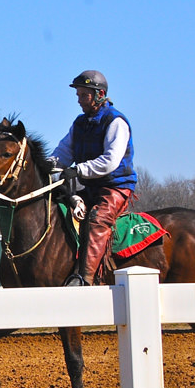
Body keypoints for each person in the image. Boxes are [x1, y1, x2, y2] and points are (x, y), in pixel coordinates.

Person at [50, 71, 137, 286]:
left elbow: (109, 161)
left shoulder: (116, 121)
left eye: (83, 95)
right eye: (78, 95)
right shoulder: (79, 123)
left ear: (100, 94)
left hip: (115, 188)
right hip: (90, 188)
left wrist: (78, 170)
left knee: (97, 220)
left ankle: (84, 280)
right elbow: (62, 154)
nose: (79, 100)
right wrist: (41, 165)